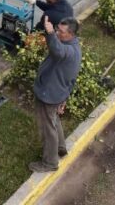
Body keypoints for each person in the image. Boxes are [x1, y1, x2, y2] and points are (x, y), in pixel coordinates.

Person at [29, 16, 81, 173]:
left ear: (71, 34)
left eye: (61, 31)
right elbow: (71, 79)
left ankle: (50, 163)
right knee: (54, 120)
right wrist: (64, 97)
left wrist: (50, 33)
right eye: (57, 29)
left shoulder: (69, 50)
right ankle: (60, 148)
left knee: (48, 128)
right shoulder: (71, 45)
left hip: (49, 95)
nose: (58, 33)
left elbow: (58, 52)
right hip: (57, 93)